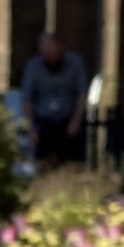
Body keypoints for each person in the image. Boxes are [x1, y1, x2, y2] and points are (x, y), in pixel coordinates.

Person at [20, 32, 87, 168]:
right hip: (44, 123)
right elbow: (27, 98)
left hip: (68, 123)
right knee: (44, 165)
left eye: (51, 53)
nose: (48, 58)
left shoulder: (75, 62)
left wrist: (76, 120)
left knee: (70, 165)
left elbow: (82, 92)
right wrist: (31, 128)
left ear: (60, 48)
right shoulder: (34, 66)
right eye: (45, 54)